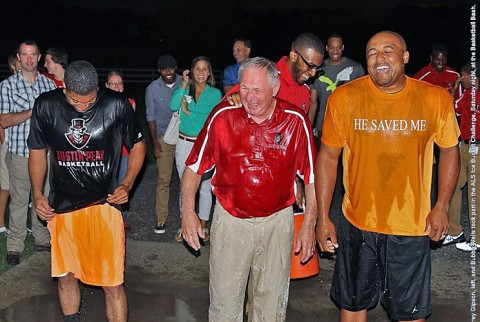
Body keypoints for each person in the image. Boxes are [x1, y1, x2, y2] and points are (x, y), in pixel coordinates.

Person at [316, 31, 459, 322]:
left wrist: (442, 205)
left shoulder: (435, 98)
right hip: (357, 222)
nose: (379, 58)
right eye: (371, 52)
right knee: (353, 306)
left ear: (405, 57)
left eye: (388, 50)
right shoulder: (345, 97)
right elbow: (328, 157)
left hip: (411, 225)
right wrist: (322, 217)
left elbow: (449, 152)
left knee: (409, 313)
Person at [181, 57, 317, 321]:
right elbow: (193, 168)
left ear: (275, 89)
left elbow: (310, 177)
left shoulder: (295, 121)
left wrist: (310, 223)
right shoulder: (222, 116)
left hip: (277, 222)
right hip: (230, 221)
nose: (249, 97)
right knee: (224, 304)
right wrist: (188, 212)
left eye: (257, 90)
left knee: (271, 304)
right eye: (244, 88)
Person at [27, 60, 146, 322]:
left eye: (89, 102)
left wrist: (126, 183)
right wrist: (37, 194)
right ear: (64, 87)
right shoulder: (46, 105)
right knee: (67, 276)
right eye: (75, 102)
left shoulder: (116, 104)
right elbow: (36, 150)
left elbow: (138, 144)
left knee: (111, 282)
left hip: (104, 206)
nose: (82, 108)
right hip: (63, 208)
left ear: (97, 90)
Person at [0, 40, 56, 265]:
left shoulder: (49, 85)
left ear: (40, 57)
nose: (30, 59)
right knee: (20, 200)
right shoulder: (7, 86)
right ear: (19, 57)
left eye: (33, 54)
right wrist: (32, 112)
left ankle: (42, 238)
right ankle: (15, 245)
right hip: (21, 152)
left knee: (43, 196)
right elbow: (3, 119)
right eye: (25, 55)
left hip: (45, 153)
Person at [170, 56, 221, 242]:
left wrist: (189, 113)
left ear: (209, 72)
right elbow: (173, 105)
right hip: (184, 143)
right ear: (191, 71)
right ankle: (185, 224)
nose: (200, 73)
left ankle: (203, 225)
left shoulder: (214, 94)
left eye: (204, 69)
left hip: (205, 144)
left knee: (206, 187)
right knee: (185, 187)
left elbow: (211, 119)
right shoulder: (184, 89)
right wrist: (183, 85)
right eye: (197, 69)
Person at [444, 61, 480, 251]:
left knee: (475, 193)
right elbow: (453, 108)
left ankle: (479, 239)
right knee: (454, 185)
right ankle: (455, 231)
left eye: (464, 75)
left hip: (477, 149)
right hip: (464, 146)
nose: (461, 78)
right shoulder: (467, 94)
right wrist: (456, 87)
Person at [146, 54, 182, 234]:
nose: (168, 72)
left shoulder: (186, 83)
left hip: (185, 135)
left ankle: (187, 221)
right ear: (159, 70)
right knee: (163, 179)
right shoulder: (152, 89)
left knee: (187, 180)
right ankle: (161, 219)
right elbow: (150, 117)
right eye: (164, 69)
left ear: (176, 67)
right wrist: (155, 143)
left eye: (171, 68)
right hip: (163, 136)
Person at [308, 33, 365, 139]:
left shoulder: (356, 68)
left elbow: (363, 100)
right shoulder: (317, 70)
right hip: (324, 128)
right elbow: (313, 103)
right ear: (327, 48)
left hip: (348, 129)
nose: (335, 52)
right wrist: (306, 131)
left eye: (338, 47)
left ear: (343, 47)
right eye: (332, 48)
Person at [105, 70, 136, 231]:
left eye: (119, 84)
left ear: (123, 87)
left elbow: (128, 132)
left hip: (124, 152)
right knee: (107, 187)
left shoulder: (130, 103)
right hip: (106, 155)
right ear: (106, 86)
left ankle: (121, 218)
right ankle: (108, 217)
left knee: (123, 186)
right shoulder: (100, 104)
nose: (116, 87)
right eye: (113, 84)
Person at [0, 51, 21, 235]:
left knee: (19, 187)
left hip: (22, 146)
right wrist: (4, 141)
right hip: (8, 144)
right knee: (5, 186)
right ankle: (1, 224)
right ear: (14, 66)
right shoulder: (6, 87)